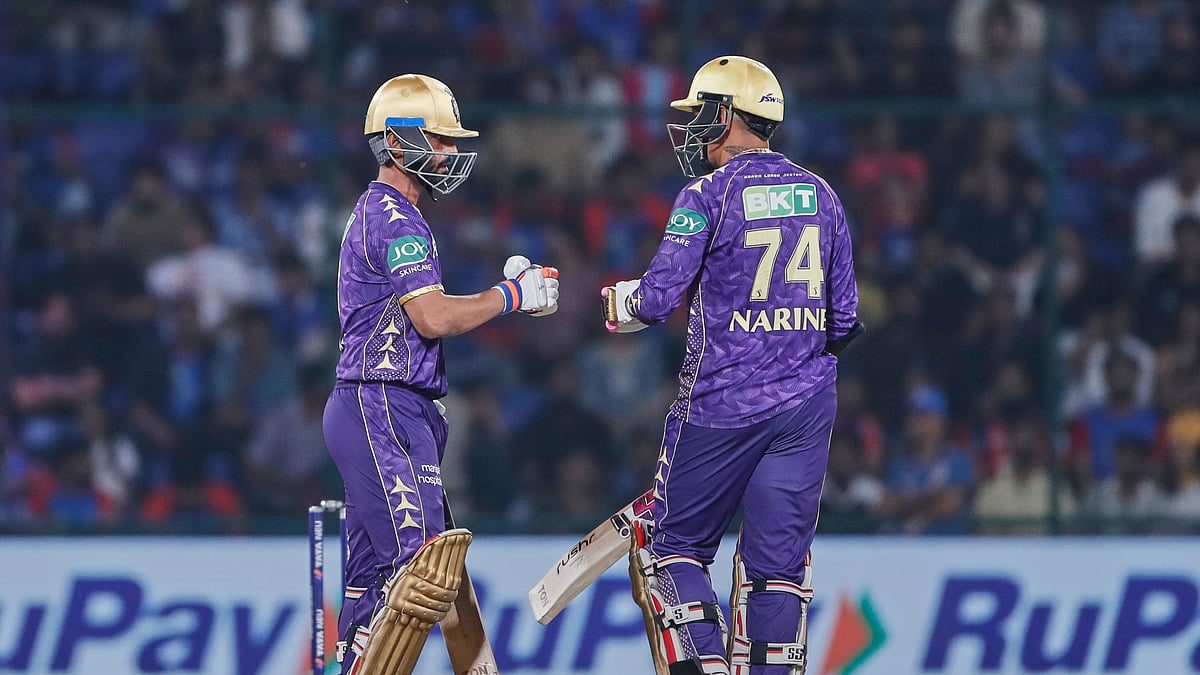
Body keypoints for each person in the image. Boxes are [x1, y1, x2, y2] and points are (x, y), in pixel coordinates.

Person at [603, 55, 863, 675]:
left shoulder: (706, 195)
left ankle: (707, 667)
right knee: (777, 570)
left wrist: (621, 304)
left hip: (722, 402)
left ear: (726, 115)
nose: (691, 129)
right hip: (804, 406)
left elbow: (659, 298)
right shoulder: (821, 195)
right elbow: (846, 320)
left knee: (674, 550)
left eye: (699, 115)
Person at [322, 73, 559, 673]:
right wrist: (512, 296)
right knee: (421, 574)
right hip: (383, 403)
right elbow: (430, 317)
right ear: (398, 142)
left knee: (376, 584)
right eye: (440, 140)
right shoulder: (395, 217)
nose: (452, 154)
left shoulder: (387, 213)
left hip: (391, 407)